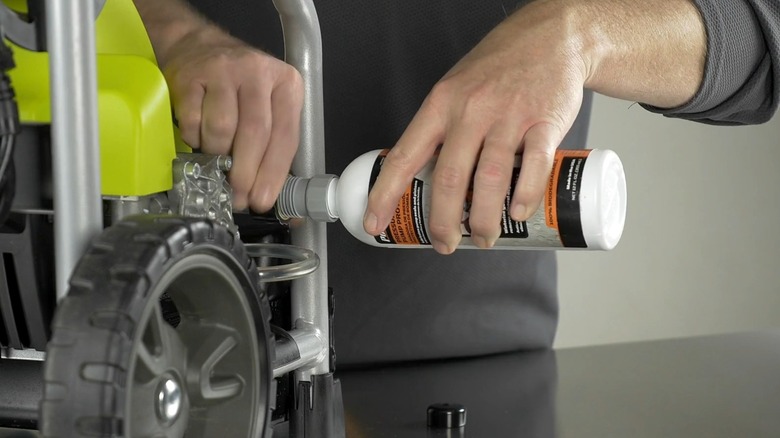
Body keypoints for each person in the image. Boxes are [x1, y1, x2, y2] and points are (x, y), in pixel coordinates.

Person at [133, 0, 779, 367]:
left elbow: (762, 33)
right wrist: (168, 30)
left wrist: (583, 33)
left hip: (473, 372)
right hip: (164, 343)